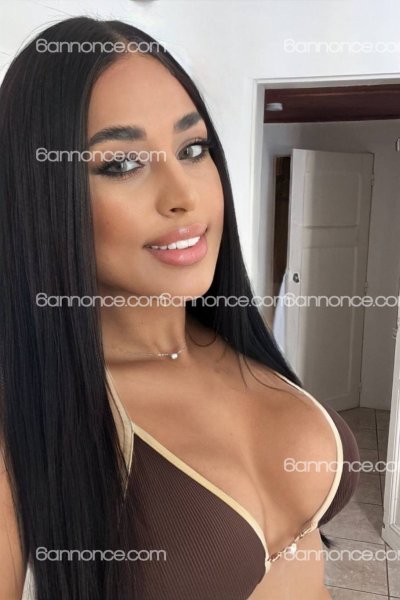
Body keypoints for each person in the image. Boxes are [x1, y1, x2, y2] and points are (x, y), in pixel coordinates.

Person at [0, 16, 360, 600]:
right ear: (39, 196)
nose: (185, 195)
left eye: (193, 149)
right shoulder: (25, 412)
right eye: (121, 164)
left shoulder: (234, 341)